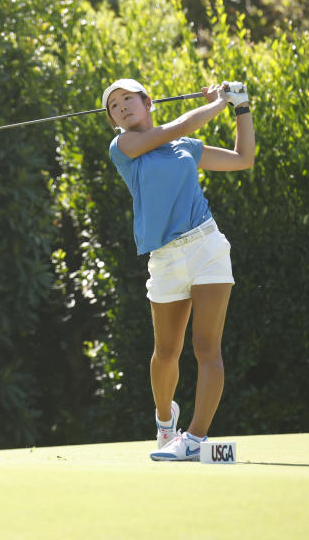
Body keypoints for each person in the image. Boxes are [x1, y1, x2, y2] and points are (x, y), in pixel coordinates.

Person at [103, 78, 254, 461]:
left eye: (127, 98)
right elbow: (180, 125)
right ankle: (165, 419)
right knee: (166, 353)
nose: (121, 106)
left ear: (147, 101)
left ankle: (195, 440)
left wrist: (241, 107)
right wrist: (219, 101)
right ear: (114, 122)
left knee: (207, 348)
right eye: (113, 106)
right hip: (165, 258)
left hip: (206, 246)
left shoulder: (185, 147)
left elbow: (242, 159)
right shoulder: (123, 148)